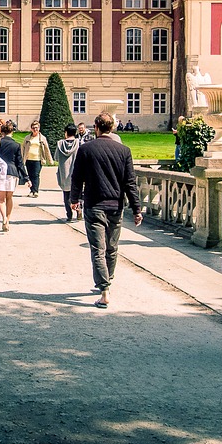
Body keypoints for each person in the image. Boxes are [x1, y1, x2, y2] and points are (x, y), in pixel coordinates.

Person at [70, 112, 142, 308]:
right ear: (113, 128)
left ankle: (104, 290)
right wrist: (136, 209)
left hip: (94, 205)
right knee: (111, 247)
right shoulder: (124, 151)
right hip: (115, 206)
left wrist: (74, 199)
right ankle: (107, 280)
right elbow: (130, 183)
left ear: (96, 127)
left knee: (97, 249)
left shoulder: (86, 149)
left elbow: (77, 178)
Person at [0, 121, 27, 232]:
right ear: (12, 131)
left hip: (0, 171)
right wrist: (26, 177)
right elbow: (20, 163)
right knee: (9, 198)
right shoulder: (16, 144)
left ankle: (3, 218)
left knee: (1, 199)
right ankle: (8, 219)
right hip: (12, 172)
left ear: (2, 131)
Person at [54, 123, 81, 222]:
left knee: (66, 196)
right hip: (76, 173)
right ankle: (78, 210)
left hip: (64, 173)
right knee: (77, 194)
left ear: (66, 133)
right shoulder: (78, 143)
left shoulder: (60, 144)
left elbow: (56, 157)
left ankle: (69, 214)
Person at [20, 121, 54, 198]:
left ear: (39, 128)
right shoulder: (27, 138)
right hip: (28, 159)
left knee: (35, 175)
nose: (35, 129)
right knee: (30, 175)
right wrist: (21, 159)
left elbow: (46, 149)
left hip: (38, 159)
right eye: (33, 128)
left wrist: (50, 160)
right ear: (31, 129)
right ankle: (32, 190)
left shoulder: (42, 138)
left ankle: (35, 191)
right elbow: (23, 148)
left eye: (36, 128)